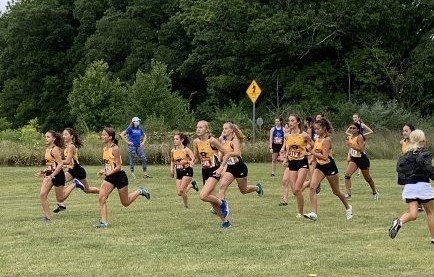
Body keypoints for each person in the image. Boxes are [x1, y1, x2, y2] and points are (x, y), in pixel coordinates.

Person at [96, 127, 150, 228]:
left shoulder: (115, 148)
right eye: (102, 135)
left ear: (110, 137)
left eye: (104, 135)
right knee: (101, 197)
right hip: (110, 177)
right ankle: (104, 222)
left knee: (125, 202)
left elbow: (119, 166)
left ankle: (140, 191)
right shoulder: (105, 149)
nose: (102, 137)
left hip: (119, 177)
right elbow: (109, 164)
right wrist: (104, 170)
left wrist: (108, 173)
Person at [389, 129, 434, 245]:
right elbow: (428, 169)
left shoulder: (405, 155)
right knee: (430, 213)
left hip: (409, 186)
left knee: (413, 214)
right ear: (423, 140)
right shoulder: (425, 153)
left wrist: (405, 183)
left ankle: (399, 222)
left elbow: (400, 170)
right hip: (422, 185)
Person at [303, 118, 353, 221]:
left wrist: (311, 152)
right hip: (320, 166)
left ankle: (348, 208)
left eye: (317, 129)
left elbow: (325, 157)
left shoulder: (327, 140)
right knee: (312, 187)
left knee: (336, 191)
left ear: (324, 128)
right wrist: (312, 155)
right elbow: (316, 148)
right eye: (314, 129)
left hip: (329, 167)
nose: (315, 131)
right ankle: (314, 213)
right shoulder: (318, 138)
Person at [192, 120, 230, 228]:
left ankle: (222, 203)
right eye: (197, 127)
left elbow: (226, 152)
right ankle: (225, 222)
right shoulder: (196, 142)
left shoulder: (212, 141)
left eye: (200, 127)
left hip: (214, 170)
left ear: (207, 129)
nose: (198, 129)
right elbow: (195, 157)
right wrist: (191, 162)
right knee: (212, 199)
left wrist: (222, 166)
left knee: (203, 196)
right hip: (205, 171)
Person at [53, 128, 100, 213]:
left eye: (66, 134)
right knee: (60, 183)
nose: (64, 136)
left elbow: (67, 161)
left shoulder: (71, 146)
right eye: (63, 134)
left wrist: (57, 162)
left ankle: (103, 192)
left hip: (78, 170)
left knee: (87, 190)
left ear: (71, 136)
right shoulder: (66, 146)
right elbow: (68, 162)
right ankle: (61, 204)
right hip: (71, 170)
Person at [216, 122, 264, 203]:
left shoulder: (235, 140)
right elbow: (221, 151)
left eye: (226, 128)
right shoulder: (222, 140)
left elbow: (237, 153)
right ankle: (221, 207)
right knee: (222, 187)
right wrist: (220, 156)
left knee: (243, 190)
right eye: (223, 128)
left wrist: (228, 154)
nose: (224, 130)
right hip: (230, 167)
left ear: (231, 130)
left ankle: (257, 188)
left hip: (239, 167)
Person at [280, 115, 314, 218]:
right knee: (295, 191)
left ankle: (300, 212)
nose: (290, 123)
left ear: (298, 122)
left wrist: (310, 153)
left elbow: (313, 145)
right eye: (289, 121)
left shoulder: (304, 135)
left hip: (302, 163)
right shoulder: (287, 135)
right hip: (292, 163)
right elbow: (288, 149)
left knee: (298, 188)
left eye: (293, 121)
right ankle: (309, 183)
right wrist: (286, 158)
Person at [37, 131, 73, 222]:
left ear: (54, 138)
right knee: (42, 194)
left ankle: (75, 184)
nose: (46, 138)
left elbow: (60, 164)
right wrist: (44, 171)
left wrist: (52, 175)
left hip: (57, 175)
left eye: (48, 137)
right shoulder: (48, 149)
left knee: (60, 198)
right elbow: (52, 164)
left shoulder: (55, 149)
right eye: (45, 137)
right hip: (49, 175)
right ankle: (47, 217)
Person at [344, 122, 379, 200]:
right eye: (350, 128)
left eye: (354, 128)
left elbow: (361, 149)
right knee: (347, 175)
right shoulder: (349, 137)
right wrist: (349, 155)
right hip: (354, 159)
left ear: (357, 129)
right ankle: (348, 194)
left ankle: (374, 192)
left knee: (367, 178)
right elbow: (350, 148)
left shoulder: (360, 137)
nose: (352, 129)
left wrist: (351, 145)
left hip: (362, 159)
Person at [169, 132, 199, 208]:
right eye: (174, 139)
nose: (175, 141)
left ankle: (186, 206)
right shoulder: (173, 151)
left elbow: (194, 160)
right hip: (178, 172)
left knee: (182, 190)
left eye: (176, 139)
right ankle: (192, 185)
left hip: (187, 171)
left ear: (182, 140)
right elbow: (172, 161)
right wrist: (171, 170)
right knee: (179, 193)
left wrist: (187, 162)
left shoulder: (186, 150)